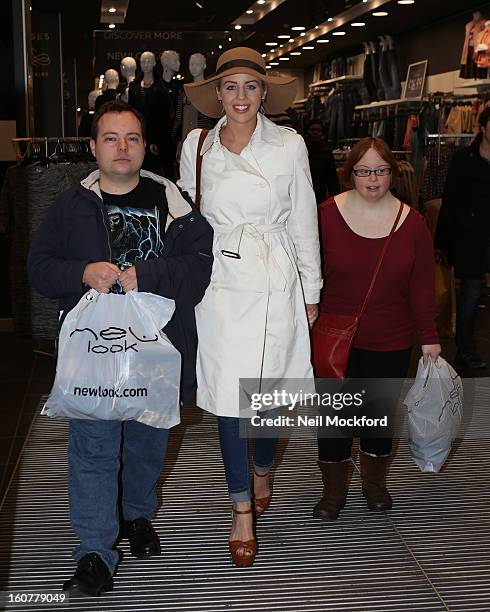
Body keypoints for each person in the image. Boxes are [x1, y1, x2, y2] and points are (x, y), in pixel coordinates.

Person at [27, 101, 213, 596]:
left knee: (149, 444)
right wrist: (81, 273)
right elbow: (39, 268)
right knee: (93, 448)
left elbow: (199, 267)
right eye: (111, 138)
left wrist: (147, 275)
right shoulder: (71, 205)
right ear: (93, 147)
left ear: (144, 144)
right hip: (93, 353)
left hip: (156, 353)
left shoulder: (171, 199)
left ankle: (136, 516)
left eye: (131, 138)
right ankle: (93, 548)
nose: (122, 148)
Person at [178, 47, 322, 567]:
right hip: (219, 282)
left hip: (274, 275)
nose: (241, 97)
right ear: (216, 94)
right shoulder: (196, 146)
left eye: (251, 86)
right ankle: (241, 506)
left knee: (270, 392)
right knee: (225, 393)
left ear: (265, 93)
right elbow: (187, 219)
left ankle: (263, 464)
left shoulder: (289, 145)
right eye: (231, 86)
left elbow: (304, 217)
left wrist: (311, 290)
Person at [314, 137, 440, 521]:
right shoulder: (324, 215)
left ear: (393, 172)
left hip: (391, 338)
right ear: (349, 173)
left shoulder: (412, 223)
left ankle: (374, 484)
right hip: (334, 339)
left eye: (381, 170)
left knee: (378, 418)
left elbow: (421, 284)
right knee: (334, 423)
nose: (372, 178)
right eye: (364, 170)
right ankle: (333, 491)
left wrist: (430, 336)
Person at [435, 107, 490, 370]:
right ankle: (465, 350)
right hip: (472, 239)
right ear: (483, 126)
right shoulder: (464, 159)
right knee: (470, 294)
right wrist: (443, 243)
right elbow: (451, 202)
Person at [304, 120, 341, 204]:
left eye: (318, 130)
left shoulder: (327, 153)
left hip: (320, 195)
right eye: (313, 130)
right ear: (307, 132)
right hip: (303, 193)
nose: (315, 133)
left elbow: (332, 179)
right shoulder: (301, 151)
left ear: (322, 134)